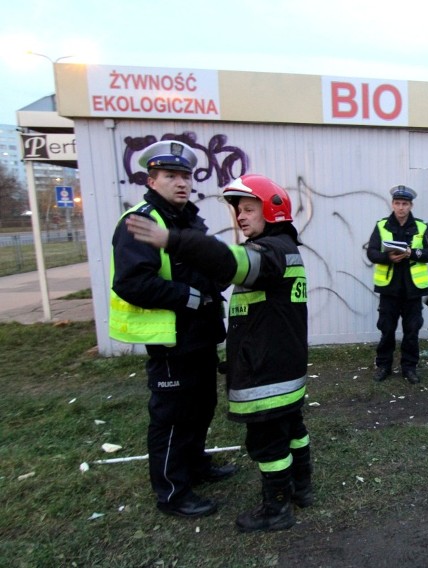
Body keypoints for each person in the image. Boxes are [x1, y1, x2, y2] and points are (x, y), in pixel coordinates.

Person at [126, 174, 312, 533]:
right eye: (238, 211)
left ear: (272, 211)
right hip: (281, 368)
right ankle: (301, 490)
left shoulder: (270, 252)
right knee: (292, 429)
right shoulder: (283, 249)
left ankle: (276, 511)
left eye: (248, 209)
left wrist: (174, 240)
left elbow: (230, 262)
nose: (240, 217)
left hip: (267, 374)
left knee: (267, 442)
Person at [109, 140, 234, 519]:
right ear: (151, 179)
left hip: (199, 336)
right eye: (170, 176)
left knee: (201, 407)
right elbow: (131, 282)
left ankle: (195, 465)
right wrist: (189, 297)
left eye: (185, 176)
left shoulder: (188, 220)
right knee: (172, 416)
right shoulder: (143, 221)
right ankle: (173, 492)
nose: (181, 183)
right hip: (170, 339)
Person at [366, 185, 428, 384]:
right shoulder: (381, 226)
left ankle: (409, 368)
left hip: (413, 290)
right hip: (389, 289)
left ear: (410, 205)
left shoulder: (422, 226)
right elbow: (371, 252)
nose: (401, 207)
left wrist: (412, 253)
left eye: (405, 204)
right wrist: (388, 257)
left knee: (412, 331)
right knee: (387, 330)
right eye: (397, 203)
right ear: (392, 204)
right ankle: (384, 366)